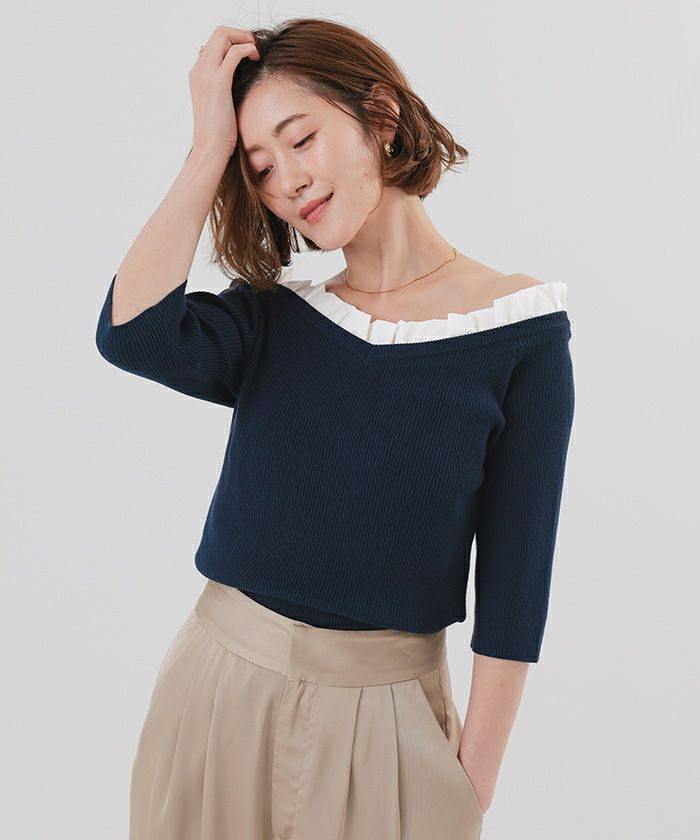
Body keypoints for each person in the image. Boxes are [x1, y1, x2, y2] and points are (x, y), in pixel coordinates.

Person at [95, 17, 575, 840]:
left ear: (379, 115)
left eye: (301, 139)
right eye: (259, 167)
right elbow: (132, 333)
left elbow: (515, 587)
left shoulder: (517, 333)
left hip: (389, 722)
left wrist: (472, 787)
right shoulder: (273, 321)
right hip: (216, 695)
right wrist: (208, 148)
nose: (285, 180)